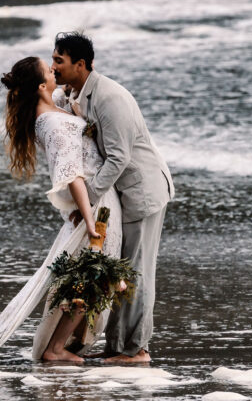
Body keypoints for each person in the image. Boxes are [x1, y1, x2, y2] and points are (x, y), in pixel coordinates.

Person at [51, 32, 174, 365]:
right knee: (120, 271)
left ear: (81, 64)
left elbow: (118, 157)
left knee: (136, 272)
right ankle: (118, 346)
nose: (53, 67)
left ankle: (135, 350)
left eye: (59, 61)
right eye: (52, 60)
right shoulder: (76, 94)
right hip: (121, 193)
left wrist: (86, 201)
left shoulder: (110, 98)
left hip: (142, 190)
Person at [1, 55, 123, 364]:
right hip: (95, 202)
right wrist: (90, 218)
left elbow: (72, 88)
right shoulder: (53, 123)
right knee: (94, 275)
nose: (55, 70)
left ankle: (66, 343)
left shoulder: (49, 107)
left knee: (91, 274)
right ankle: (55, 348)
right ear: (42, 85)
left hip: (98, 196)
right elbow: (72, 176)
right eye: (49, 69)